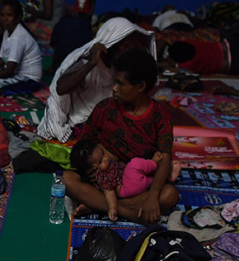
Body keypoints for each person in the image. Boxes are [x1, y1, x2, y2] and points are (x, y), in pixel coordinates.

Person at [62, 48, 179, 223]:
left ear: (140, 86)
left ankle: (99, 205)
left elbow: (165, 159)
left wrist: (153, 196)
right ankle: (123, 210)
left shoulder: (160, 115)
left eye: (120, 84)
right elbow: (84, 146)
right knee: (68, 179)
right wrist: (91, 169)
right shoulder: (105, 108)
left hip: (132, 185)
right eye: (114, 82)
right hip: (100, 181)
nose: (114, 89)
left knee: (169, 195)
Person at [37, 17, 154, 142]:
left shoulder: (123, 65)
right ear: (110, 43)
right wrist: (91, 64)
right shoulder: (86, 62)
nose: (126, 51)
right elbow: (60, 88)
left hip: (110, 119)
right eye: (124, 46)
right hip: (83, 122)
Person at [70, 137, 183, 220]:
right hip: (126, 193)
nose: (105, 159)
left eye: (104, 155)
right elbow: (108, 191)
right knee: (136, 166)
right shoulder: (99, 179)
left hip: (136, 188)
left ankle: (97, 206)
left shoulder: (107, 159)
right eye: (99, 162)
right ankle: (113, 208)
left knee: (170, 193)